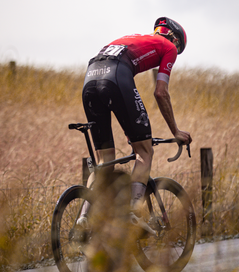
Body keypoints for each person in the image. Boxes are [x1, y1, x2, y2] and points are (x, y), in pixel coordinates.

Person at [79, 17, 192, 232]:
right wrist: (175, 131)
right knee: (144, 151)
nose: (176, 52)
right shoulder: (169, 47)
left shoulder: (134, 38)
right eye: (179, 48)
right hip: (115, 75)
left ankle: (83, 218)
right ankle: (133, 211)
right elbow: (160, 92)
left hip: (90, 76)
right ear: (174, 38)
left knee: (105, 160)